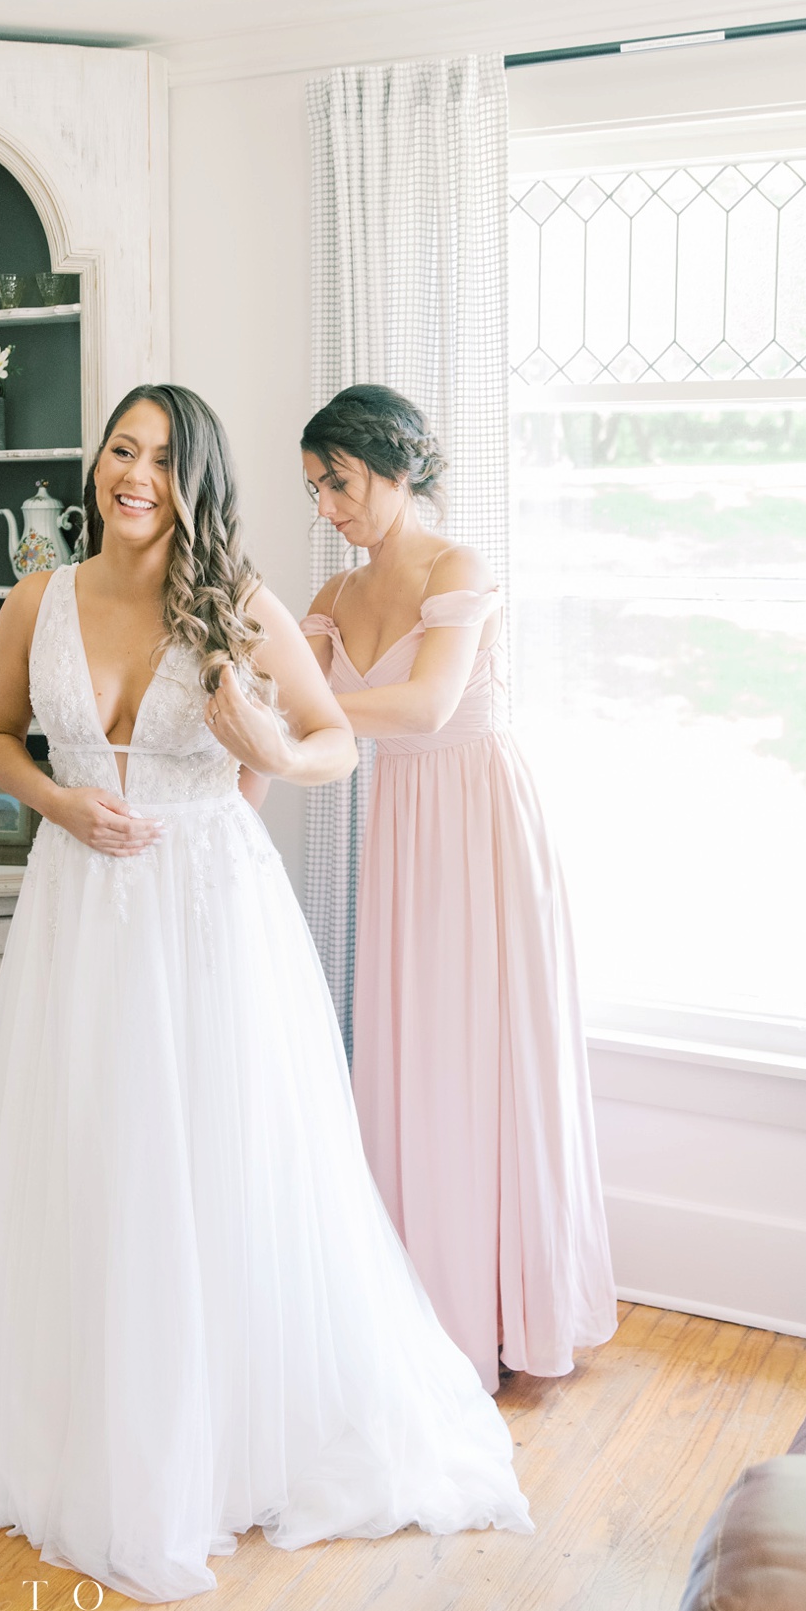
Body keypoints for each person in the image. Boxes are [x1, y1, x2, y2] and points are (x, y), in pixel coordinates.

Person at [0, 384, 532, 1603]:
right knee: (88, 1152)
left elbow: (332, 737)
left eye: (164, 459)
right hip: (80, 904)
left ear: (198, 479)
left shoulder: (238, 603)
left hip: (210, 907)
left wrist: (273, 749)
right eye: (122, 448)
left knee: (221, 1160)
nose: (136, 475)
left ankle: (227, 1432)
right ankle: (80, 1420)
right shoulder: (41, 596)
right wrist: (60, 801)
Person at [297, 385, 618, 1395]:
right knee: (413, 1051)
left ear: (396, 466)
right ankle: (422, 1304)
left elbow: (429, 702)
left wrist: (300, 705)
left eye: (338, 482)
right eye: (313, 487)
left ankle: (505, 1307)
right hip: (397, 826)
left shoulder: (457, 566)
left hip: (478, 824)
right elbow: (294, 713)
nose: (327, 508)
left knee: (487, 1053)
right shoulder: (330, 595)